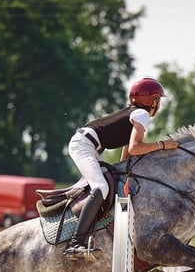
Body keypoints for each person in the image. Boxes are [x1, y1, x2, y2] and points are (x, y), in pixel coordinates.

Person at [63, 77, 178, 261]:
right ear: (152, 101)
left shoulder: (134, 114)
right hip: (84, 145)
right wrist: (162, 145)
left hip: (87, 145)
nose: (159, 105)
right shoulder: (142, 114)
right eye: (158, 100)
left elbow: (127, 152)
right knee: (101, 187)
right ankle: (75, 243)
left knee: (109, 184)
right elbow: (135, 148)